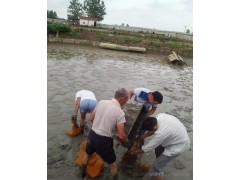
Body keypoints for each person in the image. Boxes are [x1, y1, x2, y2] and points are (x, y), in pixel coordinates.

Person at [81, 88, 131, 180]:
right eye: (126, 100)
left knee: (87, 154)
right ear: (122, 99)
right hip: (103, 141)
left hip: (92, 135)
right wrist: (128, 142)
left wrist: (100, 124)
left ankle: (82, 173)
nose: (125, 103)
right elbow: (121, 136)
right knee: (113, 163)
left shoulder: (101, 102)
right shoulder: (120, 113)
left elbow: (91, 118)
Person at [130, 113, 190, 180]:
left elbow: (147, 148)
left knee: (157, 166)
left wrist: (134, 152)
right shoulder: (160, 116)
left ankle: (158, 170)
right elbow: (151, 131)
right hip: (174, 137)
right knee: (158, 150)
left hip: (179, 146)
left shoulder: (161, 133)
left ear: (154, 127)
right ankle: (161, 161)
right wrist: (142, 137)